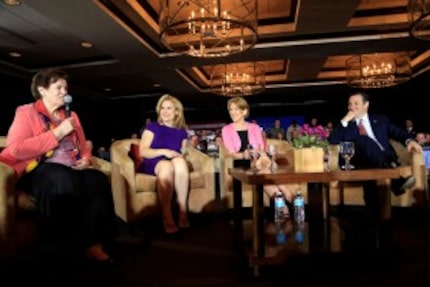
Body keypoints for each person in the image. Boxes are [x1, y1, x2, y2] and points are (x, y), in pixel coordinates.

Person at [0, 68, 118, 263]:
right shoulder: (26, 112)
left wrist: (86, 160)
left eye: (66, 87)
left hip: (69, 167)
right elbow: (16, 149)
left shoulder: (72, 116)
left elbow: (83, 145)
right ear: (42, 90)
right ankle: (66, 248)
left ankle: (94, 243)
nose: (66, 92)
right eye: (59, 87)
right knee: (62, 179)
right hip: (37, 169)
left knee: (97, 180)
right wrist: (57, 133)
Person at [329, 91, 422, 214]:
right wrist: (345, 120)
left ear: (366, 105)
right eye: (350, 104)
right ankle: (395, 180)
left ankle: (374, 216)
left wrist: (410, 141)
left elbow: (397, 132)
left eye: (356, 103)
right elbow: (333, 140)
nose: (352, 107)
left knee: (371, 171)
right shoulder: (346, 125)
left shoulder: (381, 120)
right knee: (362, 139)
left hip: (383, 158)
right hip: (358, 161)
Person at [221, 96, 294, 214]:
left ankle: (283, 208)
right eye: (230, 109)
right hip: (241, 163)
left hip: (258, 161)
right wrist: (244, 155)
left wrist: (259, 154)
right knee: (262, 171)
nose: (232, 112)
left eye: (235, 109)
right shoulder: (226, 129)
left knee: (261, 170)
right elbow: (231, 152)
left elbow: (261, 147)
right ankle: (286, 193)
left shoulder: (254, 127)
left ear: (244, 111)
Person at [137, 94, 190, 234]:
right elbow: (143, 151)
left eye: (169, 108)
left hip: (173, 161)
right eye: (162, 108)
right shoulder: (152, 127)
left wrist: (182, 154)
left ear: (176, 112)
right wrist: (164, 151)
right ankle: (167, 215)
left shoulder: (182, 132)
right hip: (153, 161)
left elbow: (183, 151)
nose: (165, 111)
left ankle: (183, 210)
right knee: (166, 166)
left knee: (179, 162)